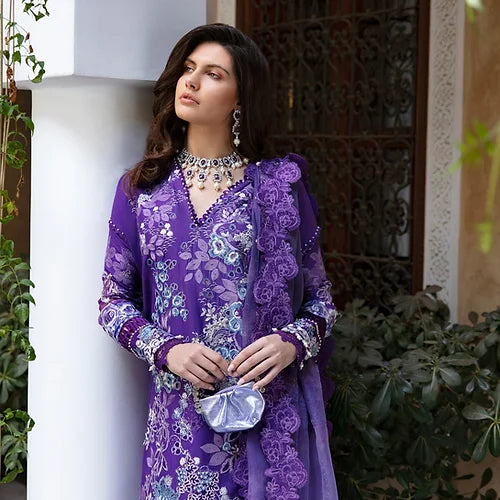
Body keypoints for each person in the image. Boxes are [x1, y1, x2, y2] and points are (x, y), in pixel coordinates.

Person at [98, 23, 339, 500]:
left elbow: (321, 303)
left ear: (240, 98)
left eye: (213, 74)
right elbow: (112, 303)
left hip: (263, 420)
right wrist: (167, 350)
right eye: (188, 69)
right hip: (176, 429)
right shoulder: (143, 192)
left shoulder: (278, 188)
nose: (191, 81)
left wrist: (291, 343)